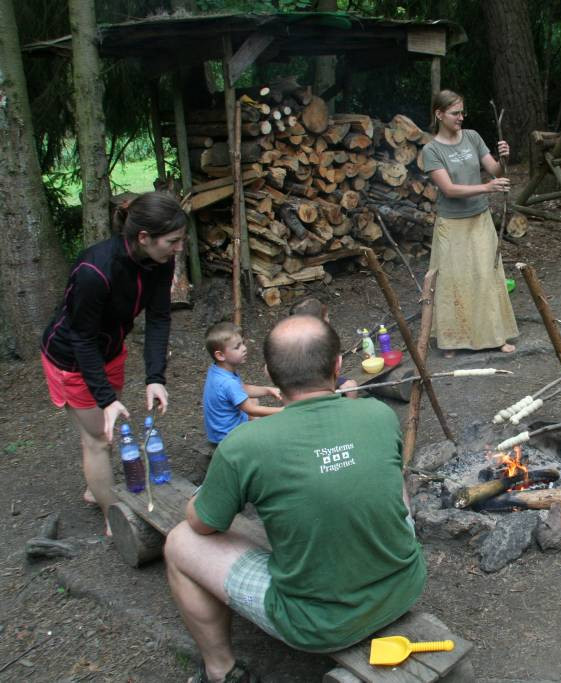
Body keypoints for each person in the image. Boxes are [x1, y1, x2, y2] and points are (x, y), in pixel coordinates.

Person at [165, 315, 426, 683]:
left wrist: (205, 496)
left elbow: (202, 524)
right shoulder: (379, 414)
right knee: (388, 478)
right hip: (405, 586)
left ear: (269, 373)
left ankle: (221, 670)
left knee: (179, 540)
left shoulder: (244, 445)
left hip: (319, 623)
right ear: (338, 365)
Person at [40, 191, 186, 534]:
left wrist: (155, 377)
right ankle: (114, 519)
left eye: (182, 240)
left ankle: (96, 487)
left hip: (109, 350)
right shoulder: (94, 270)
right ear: (144, 237)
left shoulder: (160, 261)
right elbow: (81, 339)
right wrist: (106, 399)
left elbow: (159, 318)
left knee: (99, 431)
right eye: (173, 241)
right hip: (72, 358)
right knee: (99, 439)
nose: (179, 248)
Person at [422, 89, 518, 357]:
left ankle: (496, 336)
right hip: (451, 224)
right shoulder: (431, 150)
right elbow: (449, 190)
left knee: (486, 276)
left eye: (462, 112)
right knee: (453, 282)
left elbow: (495, 170)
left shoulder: (473, 137)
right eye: (455, 113)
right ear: (439, 114)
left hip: (479, 220)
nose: (461, 117)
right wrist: (487, 188)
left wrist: (503, 158)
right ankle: (453, 341)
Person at [202, 322, 282, 450]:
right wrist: (282, 411)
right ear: (220, 355)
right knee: (270, 430)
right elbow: (251, 410)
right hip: (227, 437)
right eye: (237, 347)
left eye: (243, 343)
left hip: (218, 431)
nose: (244, 348)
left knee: (253, 399)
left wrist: (268, 390)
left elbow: (241, 389)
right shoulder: (228, 383)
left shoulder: (218, 370)